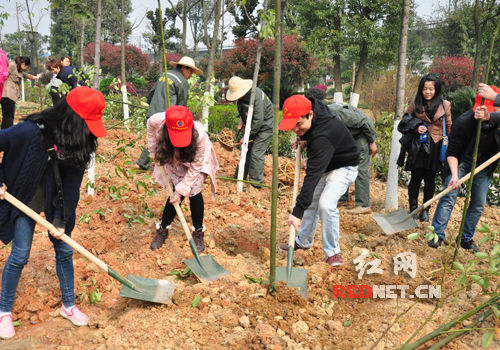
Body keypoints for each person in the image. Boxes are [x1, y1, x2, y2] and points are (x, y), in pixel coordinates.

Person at [0, 86, 107, 339]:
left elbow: (70, 189)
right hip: (24, 198)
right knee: (20, 254)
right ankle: (3, 310)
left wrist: (63, 221)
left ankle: (68, 306)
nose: (91, 132)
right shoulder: (28, 132)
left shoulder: (79, 144)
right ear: (73, 120)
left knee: (65, 249)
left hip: (55, 199)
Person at [278, 95, 360, 266]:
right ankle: (303, 240)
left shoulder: (323, 135)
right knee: (312, 200)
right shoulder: (314, 106)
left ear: (310, 114)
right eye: (293, 125)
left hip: (344, 166)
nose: (295, 129)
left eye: (298, 125)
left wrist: (297, 212)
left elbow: (312, 177)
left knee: (326, 204)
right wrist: (304, 137)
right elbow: (310, 128)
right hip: (328, 161)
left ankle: (333, 252)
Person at [429, 85, 500, 251]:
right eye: (479, 110)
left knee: (479, 203)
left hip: (485, 164)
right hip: (462, 160)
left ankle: (465, 239)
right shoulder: (464, 122)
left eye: (487, 111)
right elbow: (452, 153)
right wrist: (454, 176)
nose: (481, 114)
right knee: (449, 195)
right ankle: (436, 235)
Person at [147, 105, 219, 252]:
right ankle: (163, 229)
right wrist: (153, 149)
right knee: (174, 193)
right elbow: (149, 128)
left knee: (195, 191)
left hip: (193, 157)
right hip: (173, 153)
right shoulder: (158, 121)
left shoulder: (199, 134)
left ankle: (198, 231)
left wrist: (183, 190)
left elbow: (196, 165)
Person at [397, 74, 452, 222]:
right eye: (425, 89)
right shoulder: (415, 103)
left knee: (430, 180)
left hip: (436, 146)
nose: (427, 92)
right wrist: (416, 128)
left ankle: (425, 209)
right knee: (415, 178)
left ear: (437, 89)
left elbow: (449, 125)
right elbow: (404, 122)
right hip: (419, 146)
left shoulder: (445, 104)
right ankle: (413, 209)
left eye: (431, 89)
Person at [137, 56, 203, 170]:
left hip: (153, 112)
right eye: (191, 71)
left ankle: (147, 162)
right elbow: (181, 105)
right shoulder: (182, 81)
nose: (191, 74)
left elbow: (151, 92)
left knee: (155, 137)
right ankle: (156, 163)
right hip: (166, 115)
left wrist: (151, 105)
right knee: (164, 139)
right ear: (184, 68)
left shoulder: (164, 75)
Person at [327, 102, 377, 214]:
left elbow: (364, 122)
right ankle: (342, 198)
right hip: (347, 137)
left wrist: (372, 142)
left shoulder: (335, 113)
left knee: (360, 169)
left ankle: (363, 205)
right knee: (341, 165)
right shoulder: (318, 118)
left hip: (361, 135)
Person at [225, 76, 273, 188]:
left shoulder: (255, 96)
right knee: (246, 151)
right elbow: (244, 112)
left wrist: (246, 136)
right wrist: (241, 121)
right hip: (252, 126)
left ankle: (255, 184)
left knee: (256, 153)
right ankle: (239, 177)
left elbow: (258, 120)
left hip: (264, 126)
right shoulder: (241, 99)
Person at [0, 56, 39, 129]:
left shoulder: (18, 68)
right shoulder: (12, 65)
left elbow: (25, 75)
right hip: (7, 94)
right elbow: (3, 74)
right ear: (23, 64)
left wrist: (35, 77)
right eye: (26, 67)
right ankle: (8, 134)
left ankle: (3, 133)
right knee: (9, 117)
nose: (26, 68)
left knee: (7, 116)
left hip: (10, 94)